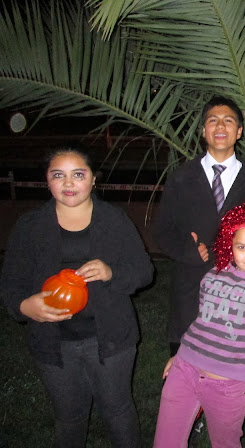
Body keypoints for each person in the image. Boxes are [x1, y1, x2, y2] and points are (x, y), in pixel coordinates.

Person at [0, 147, 154, 448]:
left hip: (111, 338)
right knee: (69, 417)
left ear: (93, 179)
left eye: (78, 174)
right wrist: (23, 306)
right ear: (47, 180)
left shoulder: (114, 220)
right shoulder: (30, 226)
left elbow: (144, 271)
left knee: (118, 411)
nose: (69, 183)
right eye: (59, 175)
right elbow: (11, 282)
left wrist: (111, 272)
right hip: (54, 342)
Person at [153, 200, 245, 448]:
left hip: (228, 385)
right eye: (242, 247)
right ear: (230, 245)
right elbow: (203, 323)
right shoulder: (214, 274)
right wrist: (179, 354)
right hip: (184, 369)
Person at [152, 95, 245, 355]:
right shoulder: (181, 178)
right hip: (191, 292)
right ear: (203, 130)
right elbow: (162, 230)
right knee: (186, 368)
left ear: (239, 131)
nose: (220, 126)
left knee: (232, 369)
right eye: (213, 120)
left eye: (228, 121)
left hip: (239, 295)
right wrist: (186, 251)